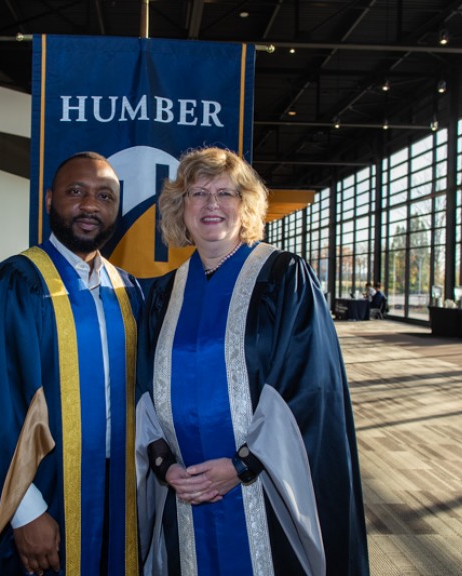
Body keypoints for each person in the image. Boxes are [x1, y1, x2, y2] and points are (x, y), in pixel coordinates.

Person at [135, 147, 369, 576]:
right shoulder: (163, 295)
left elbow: (308, 386)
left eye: (224, 193)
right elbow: (144, 392)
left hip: (261, 487)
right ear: (180, 207)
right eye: (197, 193)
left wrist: (241, 465)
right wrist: (166, 468)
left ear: (245, 207)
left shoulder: (283, 278)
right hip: (183, 491)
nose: (210, 205)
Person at [0, 152, 143, 576]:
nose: (90, 205)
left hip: (120, 494)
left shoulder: (130, 292)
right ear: (49, 199)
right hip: (48, 491)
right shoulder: (12, 284)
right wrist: (24, 511)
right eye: (76, 192)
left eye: (104, 196)